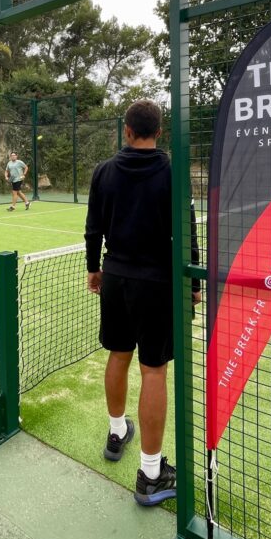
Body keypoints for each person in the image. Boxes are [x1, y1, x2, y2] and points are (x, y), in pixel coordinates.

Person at [85, 100, 200, 506]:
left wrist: (93, 269)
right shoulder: (173, 171)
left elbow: (93, 228)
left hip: (115, 277)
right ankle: (151, 474)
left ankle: (117, 432)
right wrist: (194, 279)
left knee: (119, 355)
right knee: (154, 370)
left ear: (127, 131)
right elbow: (185, 229)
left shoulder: (103, 171)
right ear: (159, 132)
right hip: (157, 283)